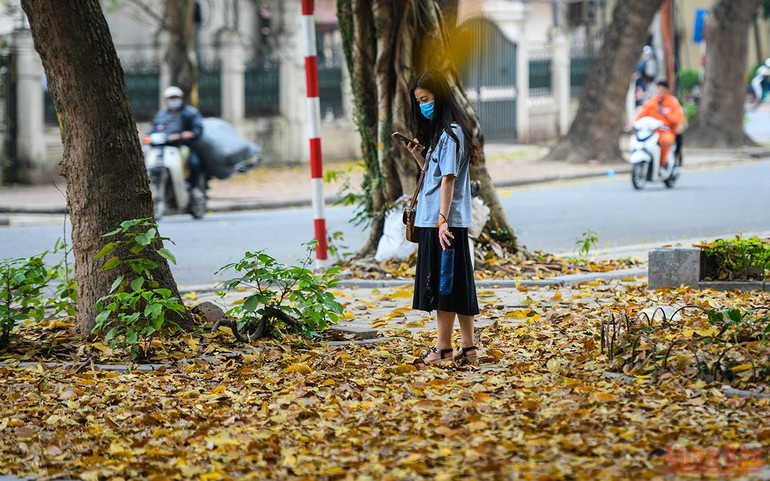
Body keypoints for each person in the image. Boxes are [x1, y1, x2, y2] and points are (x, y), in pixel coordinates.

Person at [400, 69, 480, 364]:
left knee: (444, 285)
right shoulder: (441, 134)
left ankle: (443, 347)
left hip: (442, 222)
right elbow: (435, 176)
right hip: (442, 220)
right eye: (419, 101)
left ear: (440, 97)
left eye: (426, 99)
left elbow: (448, 179)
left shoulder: (452, 133)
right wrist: (419, 158)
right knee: (457, 284)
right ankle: (468, 346)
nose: (422, 105)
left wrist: (442, 219)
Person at [151, 86, 204, 190]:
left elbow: (198, 128)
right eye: (170, 98)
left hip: (183, 146)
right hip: (162, 148)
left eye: (175, 97)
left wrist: (189, 134)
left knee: (194, 163)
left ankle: (192, 188)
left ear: (181, 98)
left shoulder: (190, 113)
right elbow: (153, 130)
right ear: (166, 100)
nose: (173, 100)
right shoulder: (161, 115)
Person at [635, 80, 684, 169]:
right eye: (659, 89)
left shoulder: (673, 103)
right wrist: (634, 123)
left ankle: (662, 163)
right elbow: (642, 114)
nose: (660, 91)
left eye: (663, 89)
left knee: (666, 141)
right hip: (652, 131)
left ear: (667, 90)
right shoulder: (652, 102)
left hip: (667, 131)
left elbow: (677, 119)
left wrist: (666, 115)